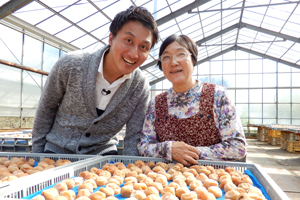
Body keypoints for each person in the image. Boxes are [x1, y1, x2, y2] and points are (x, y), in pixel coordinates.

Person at [32, 6, 159, 156]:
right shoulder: (71, 64)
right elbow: (46, 110)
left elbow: (134, 136)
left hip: (103, 158)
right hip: (56, 152)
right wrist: (37, 157)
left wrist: (130, 169)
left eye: (143, 47)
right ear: (111, 39)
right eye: (128, 40)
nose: (133, 53)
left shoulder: (140, 85)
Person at [138, 34, 246, 166]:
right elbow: (143, 146)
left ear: (193, 59)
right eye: (166, 57)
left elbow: (237, 147)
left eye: (181, 54)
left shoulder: (218, 96)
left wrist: (189, 153)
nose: (173, 62)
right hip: (165, 180)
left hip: (213, 180)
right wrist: (169, 149)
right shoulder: (156, 103)